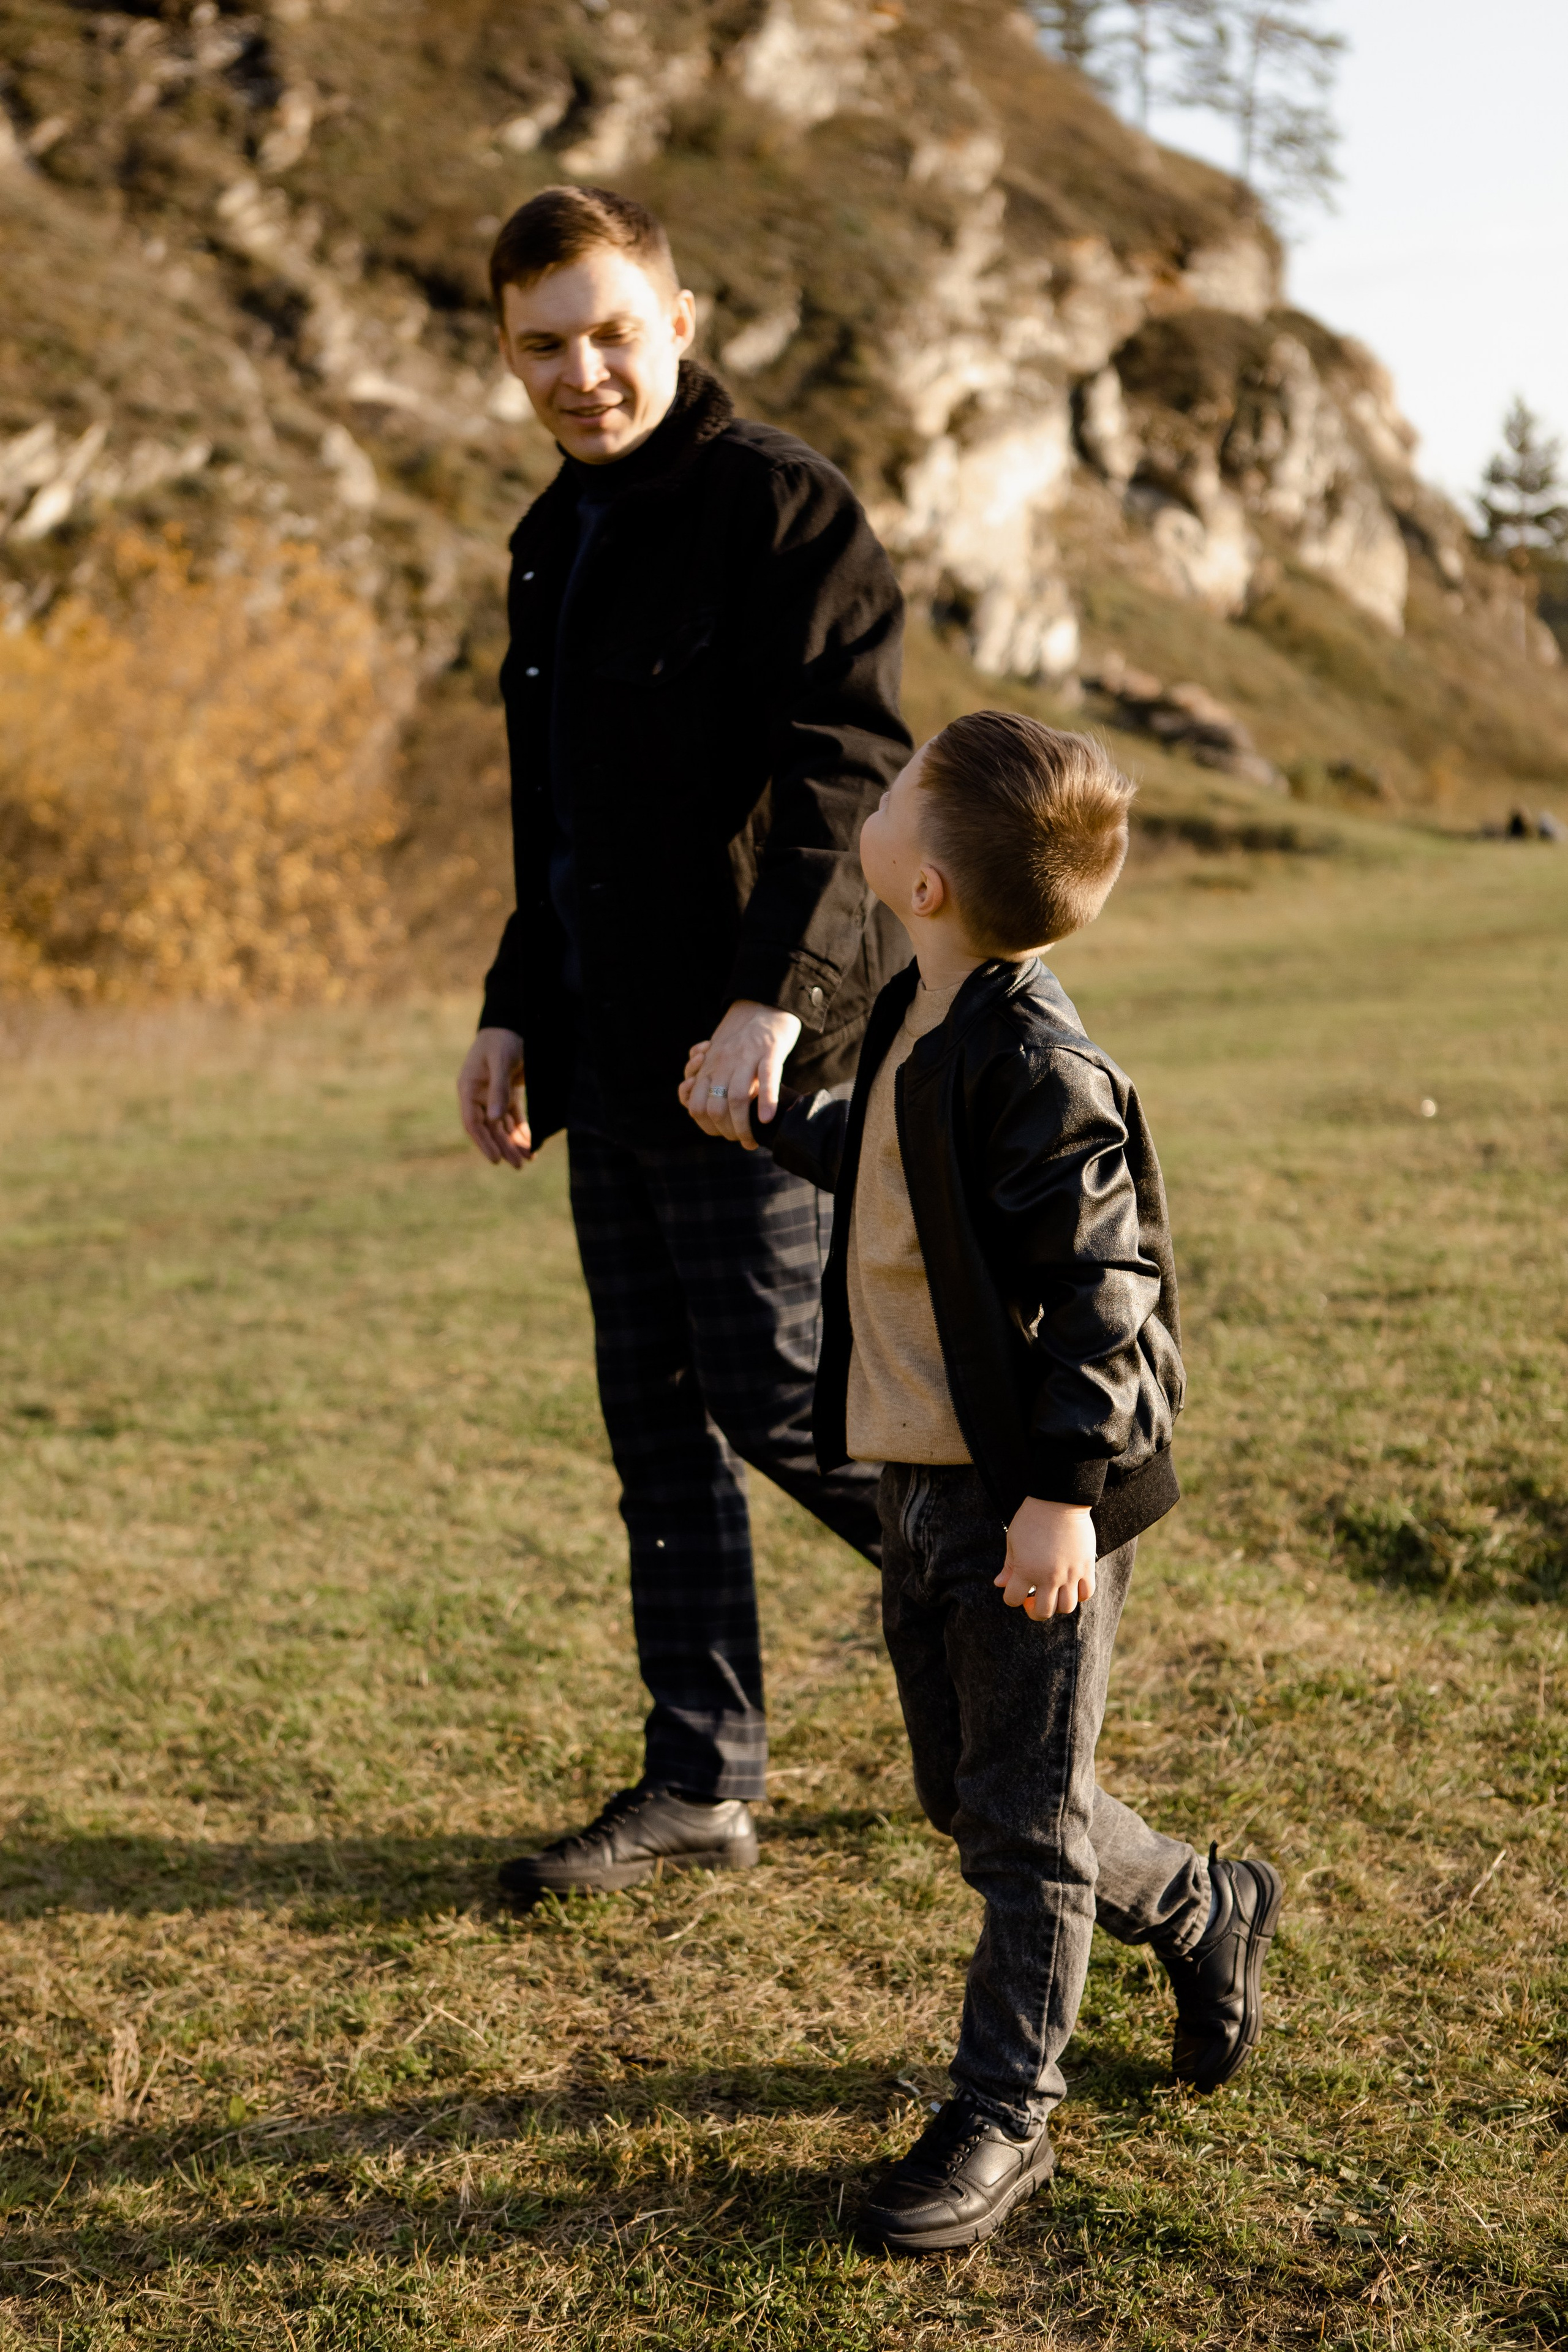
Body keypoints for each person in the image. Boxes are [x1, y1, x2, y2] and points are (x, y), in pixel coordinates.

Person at [682, 711, 1283, 2256]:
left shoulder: (1037, 1063)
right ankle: (1202, 1904)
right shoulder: (916, 1010)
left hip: (1026, 1491)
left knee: (1018, 1831)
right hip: (918, 1481)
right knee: (972, 1793)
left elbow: (1103, 1289)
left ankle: (1004, 2107)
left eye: (891, 796)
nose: (869, 804)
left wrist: (1061, 1497)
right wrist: (776, 1121)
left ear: (928, 883)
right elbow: (900, 1167)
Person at [456, 186, 912, 1905]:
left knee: (783, 1401)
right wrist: (514, 1008)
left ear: (682, 317)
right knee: (654, 1426)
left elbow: (849, 773)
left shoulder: (781, 507)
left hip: (758, 1072)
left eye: (610, 331)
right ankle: (698, 1783)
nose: (582, 371)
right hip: (614, 1057)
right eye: (542, 344)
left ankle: (1039, 1588)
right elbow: (554, 828)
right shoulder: (545, 539)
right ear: (508, 356)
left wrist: (770, 1001)